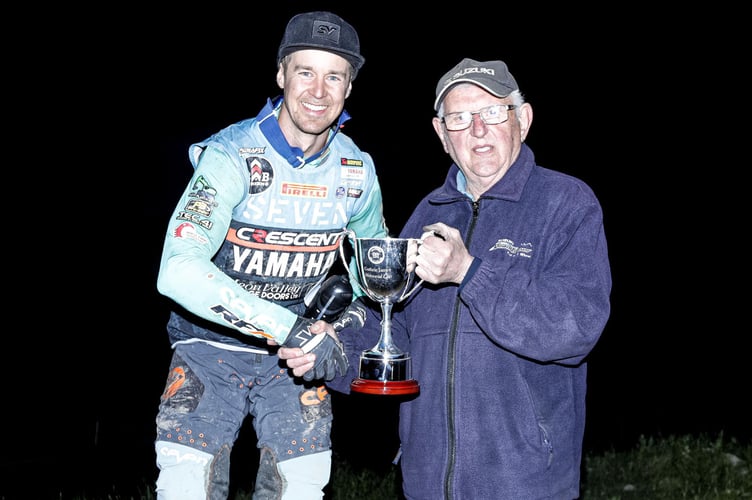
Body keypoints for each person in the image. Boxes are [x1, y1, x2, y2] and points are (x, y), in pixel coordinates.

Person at [280, 57, 612, 499]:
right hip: (426, 484)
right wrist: (334, 349)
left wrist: (469, 272)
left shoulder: (566, 203)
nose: (477, 129)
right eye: (459, 118)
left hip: (527, 485)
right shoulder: (426, 215)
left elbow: (575, 326)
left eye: (492, 112)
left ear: (523, 119)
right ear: (442, 135)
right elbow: (395, 330)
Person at [154, 11, 388, 499]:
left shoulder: (357, 171)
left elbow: (374, 275)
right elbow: (177, 272)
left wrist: (339, 334)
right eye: (305, 72)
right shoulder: (232, 155)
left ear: (349, 87)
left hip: (294, 364)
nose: (318, 91)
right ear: (281, 74)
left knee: (300, 489)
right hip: (208, 350)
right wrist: (291, 327)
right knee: (185, 488)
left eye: (334, 76)